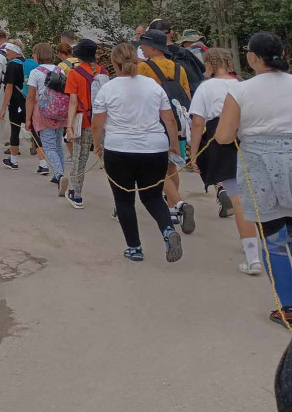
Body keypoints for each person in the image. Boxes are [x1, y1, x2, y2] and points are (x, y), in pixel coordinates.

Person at [215, 32, 292, 327]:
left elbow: (223, 136)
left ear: (252, 57)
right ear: (283, 53)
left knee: (273, 236)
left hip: (260, 164)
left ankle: (288, 309)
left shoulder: (241, 90)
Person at [92, 43, 184, 263]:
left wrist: (97, 145)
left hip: (119, 148)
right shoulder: (153, 85)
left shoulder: (108, 88)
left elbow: (97, 124)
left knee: (124, 200)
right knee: (153, 197)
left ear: (113, 63)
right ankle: (167, 230)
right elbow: (169, 119)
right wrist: (173, 143)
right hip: (154, 148)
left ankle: (134, 247)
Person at [187, 48, 262, 275]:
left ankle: (252, 257)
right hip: (248, 139)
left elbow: (198, 123)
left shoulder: (206, 87)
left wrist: (193, 152)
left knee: (239, 199)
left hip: (220, 141)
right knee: (255, 196)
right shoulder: (243, 84)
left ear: (208, 65)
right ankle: (265, 242)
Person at [138, 28, 195, 234]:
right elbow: (186, 95)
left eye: (144, 45)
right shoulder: (178, 67)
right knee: (172, 166)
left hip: (156, 122)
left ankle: (179, 203)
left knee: (156, 169)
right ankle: (172, 208)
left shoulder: (144, 68)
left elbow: (142, 96)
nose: (141, 48)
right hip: (177, 122)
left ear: (153, 47)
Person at [61, 38, 108, 207]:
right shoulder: (103, 71)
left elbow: (73, 103)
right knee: (110, 162)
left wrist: (69, 127)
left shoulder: (75, 74)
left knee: (79, 158)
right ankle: (120, 202)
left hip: (84, 122)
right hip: (103, 122)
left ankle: (77, 194)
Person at [26, 43, 69, 183]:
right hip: (60, 112)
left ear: (38, 55)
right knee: (58, 145)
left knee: (49, 146)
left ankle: (59, 175)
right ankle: (59, 174)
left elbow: (31, 98)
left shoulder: (35, 72)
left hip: (43, 113)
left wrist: (28, 119)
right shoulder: (59, 70)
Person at [0, 41, 26, 170]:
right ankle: (43, 164)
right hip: (29, 100)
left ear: (15, 52)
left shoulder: (12, 65)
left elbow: (9, 87)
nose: (6, 53)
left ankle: (13, 160)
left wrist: (3, 107)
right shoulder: (28, 63)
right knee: (34, 131)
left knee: (15, 129)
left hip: (16, 101)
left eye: (8, 51)